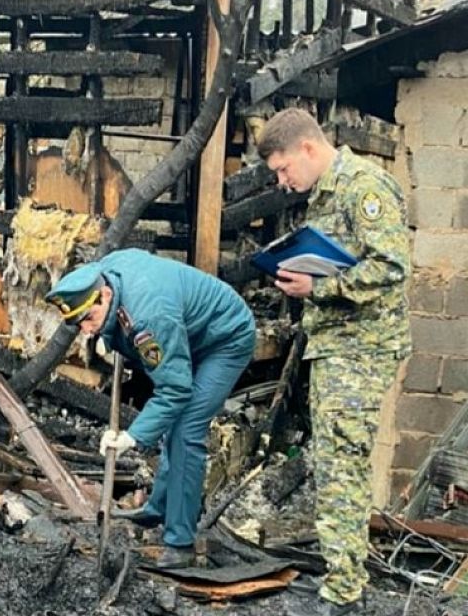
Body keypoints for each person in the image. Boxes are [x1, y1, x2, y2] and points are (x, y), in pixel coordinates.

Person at [257, 108, 411, 614]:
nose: (282, 182)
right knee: (332, 461)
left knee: (341, 464)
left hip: (361, 350)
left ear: (307, 147)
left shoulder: (362, 185)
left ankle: (344, 595)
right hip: (337, 347)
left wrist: (320, 287)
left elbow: (391, 266)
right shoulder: (325, 194)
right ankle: (340, 579)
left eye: (283, 169)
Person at [45, 248, 255, 569]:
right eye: (78, 323)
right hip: (186, 332)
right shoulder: (106, 273)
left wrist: (133, 436)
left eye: (88, 319)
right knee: (171, 422)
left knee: (185, 431)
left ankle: (180, 543)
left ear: (105, 294)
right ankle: (158, 508)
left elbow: (175, 388)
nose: (85, 330)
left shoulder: (149, 317)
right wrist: (110, 334)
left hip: (224, 339)